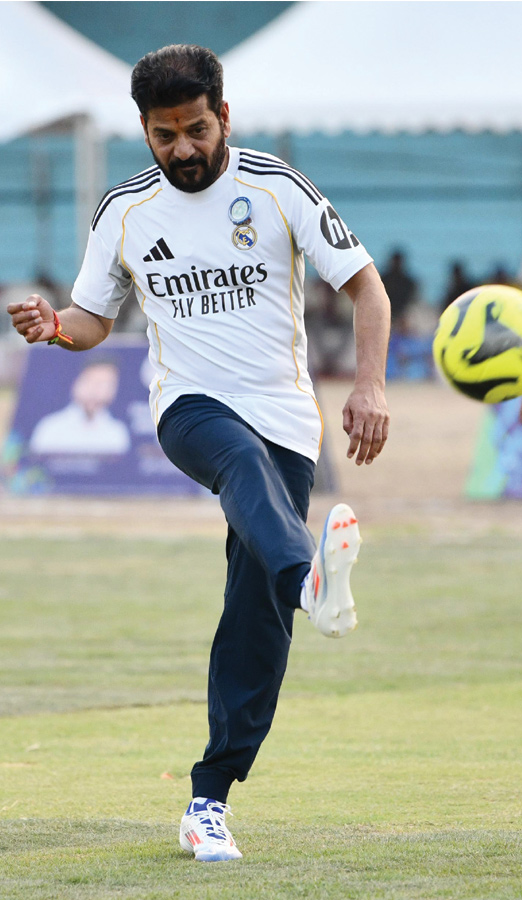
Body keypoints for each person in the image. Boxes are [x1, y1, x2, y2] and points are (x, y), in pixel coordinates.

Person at [7, 44, 388, 862]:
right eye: (163, 134)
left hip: (287, 420)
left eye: (196, 129)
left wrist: (371, 386)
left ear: (224, 115)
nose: (182, 149)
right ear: (144, 131)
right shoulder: (124, 210)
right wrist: (54, 330)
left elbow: (366, 286)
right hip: (188, 409)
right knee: (242, 473)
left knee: (254, 620)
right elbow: (92, 319)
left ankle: (208, 799)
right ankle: (310, 578)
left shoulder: (277, 187)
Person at [28, 359, 131, 455]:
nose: (95, 390)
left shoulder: (117, 432)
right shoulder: (50, 427)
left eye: (105, 384)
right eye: (91, 381)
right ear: (76, 382)